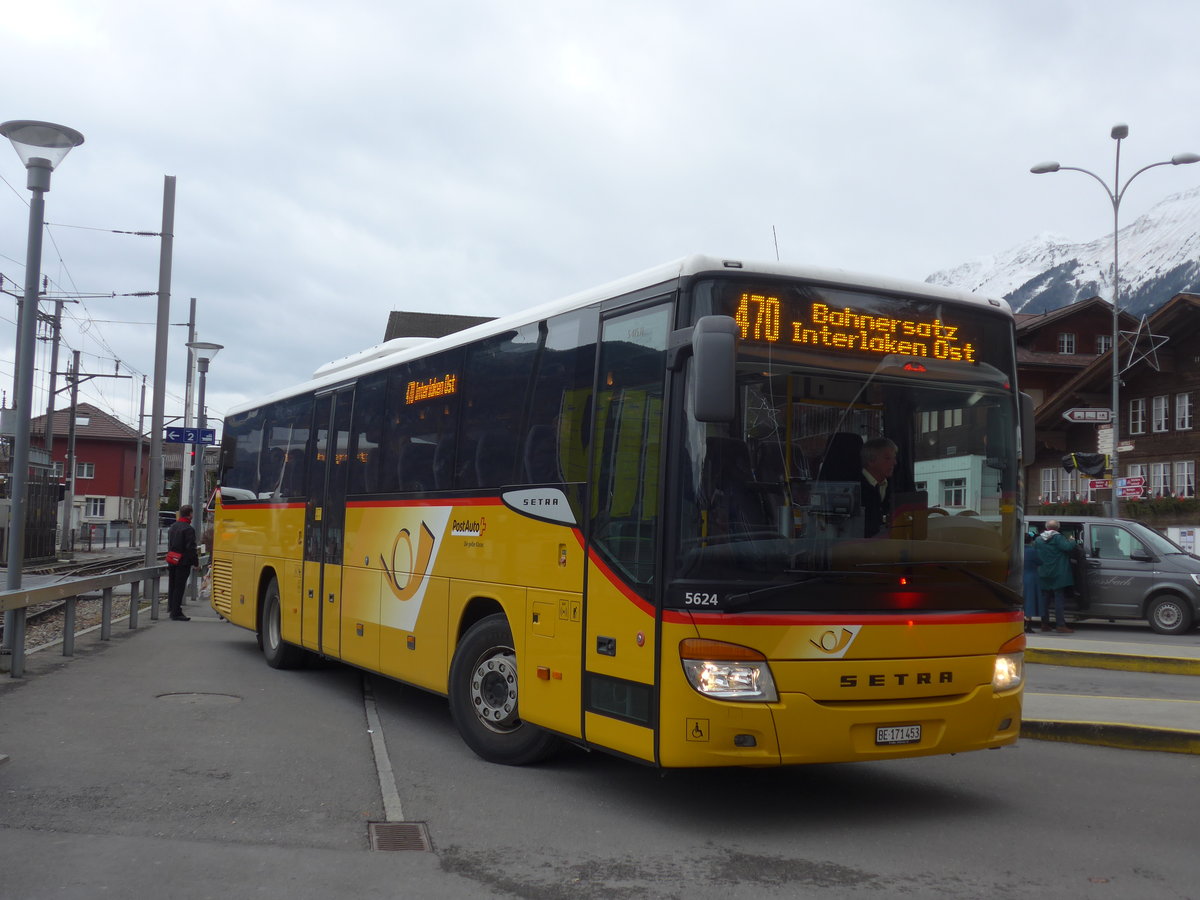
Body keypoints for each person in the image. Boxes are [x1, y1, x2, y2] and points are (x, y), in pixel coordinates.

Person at [1035, 519, 1076, 633]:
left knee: (1044, 601)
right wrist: (1072, 541)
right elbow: (1067, 547)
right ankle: (1060, 625)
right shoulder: (1058, 538)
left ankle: (1044, 624)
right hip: (1058, 573)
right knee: (1058, 600)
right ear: (1057, 528)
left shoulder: (1038, 539)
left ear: (1047, 528)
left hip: (1043, 573)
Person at [166, 504, 199, 621]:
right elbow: (191, 548)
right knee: (179, 587)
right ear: (190, 514)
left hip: (172, 560)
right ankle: (176, 612)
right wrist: (196, 562)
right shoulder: (188, 529)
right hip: (183, 562)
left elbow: (170, 543)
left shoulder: (173, 526)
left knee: (172, 585)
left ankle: (171, 608)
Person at [860, 437, 898, 537]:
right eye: (887, 458)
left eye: (894, 458)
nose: (894, 463)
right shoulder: (855, 489)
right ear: (871, 461)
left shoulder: (893, 486)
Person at [1022, 532, 1040, 633]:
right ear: (1031, 541)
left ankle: (1021, 623)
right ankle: (1028, 625)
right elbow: (1040, 561)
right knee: (1029, 601)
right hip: (1031, 577)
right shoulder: (1032, 551)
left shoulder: (1017, 551)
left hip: (1020, 577)